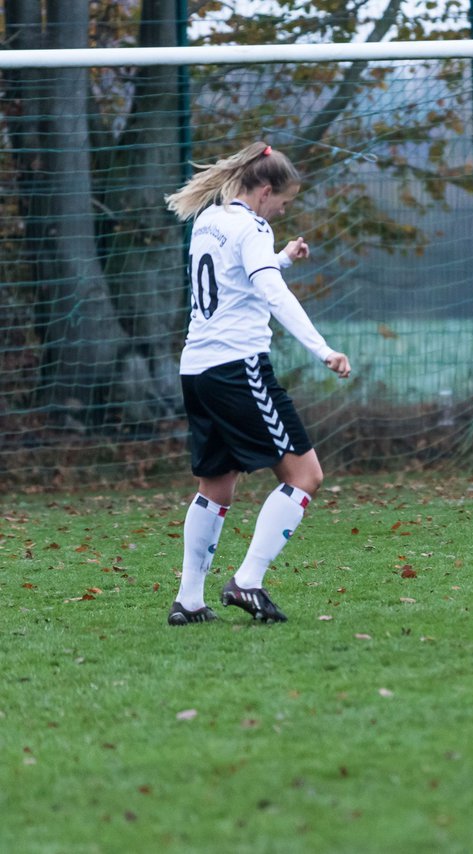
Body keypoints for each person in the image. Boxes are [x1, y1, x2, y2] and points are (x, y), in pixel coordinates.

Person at [163, 141, 351, 625]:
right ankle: (247, 581)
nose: (282, 211)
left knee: (216, 486)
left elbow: (233, 280)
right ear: (265, 191)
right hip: (238, 368)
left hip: (197, 369)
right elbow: (270, 293)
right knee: (305, 476)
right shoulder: (253, 226)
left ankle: (189, 600)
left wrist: (280, 257)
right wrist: (323, 348)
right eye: (282, 202)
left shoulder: (210, 220)